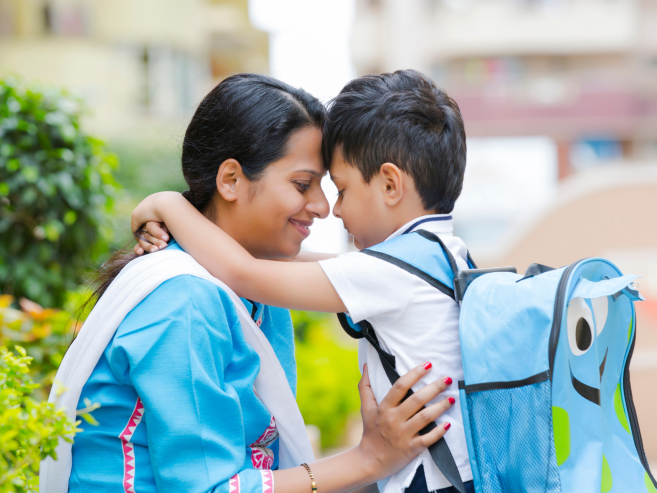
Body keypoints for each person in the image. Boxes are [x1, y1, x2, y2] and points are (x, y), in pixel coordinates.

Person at [41, 73, 454, 493]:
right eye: (301, 184)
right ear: (231, 180)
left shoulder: (260, 288)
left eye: (328, 187)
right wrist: (368, 460)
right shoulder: (185, 301)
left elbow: (368, 272)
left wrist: (170, 207)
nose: (323, 207)